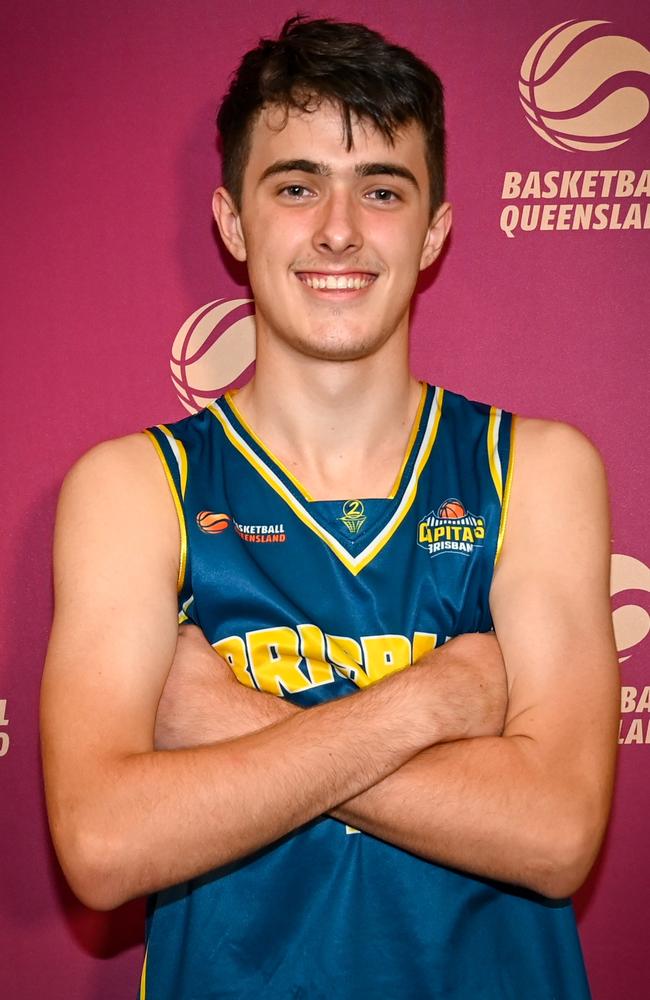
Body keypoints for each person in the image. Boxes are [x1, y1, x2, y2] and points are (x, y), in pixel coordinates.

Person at [41, 16, 619, 999]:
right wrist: (427, 703)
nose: (339, 228)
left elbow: (554, 832)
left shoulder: (534, 468)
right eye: (297, 184)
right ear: (231, 220)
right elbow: (101, 842)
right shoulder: (136, 487)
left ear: (433, 228)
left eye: (381, 189)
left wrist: (231, 722)